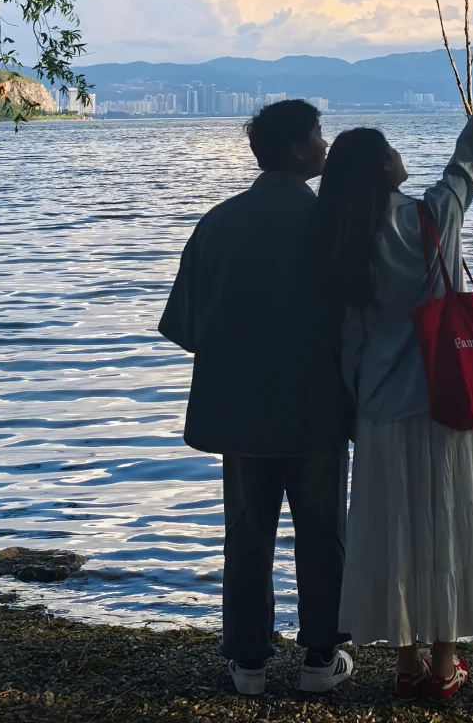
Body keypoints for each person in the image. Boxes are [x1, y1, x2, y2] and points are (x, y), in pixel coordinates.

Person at [317, 58, 473, 706]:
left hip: (378, 405)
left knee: (391, 527)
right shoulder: (432, 217)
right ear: (383, 167)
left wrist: (350, 409)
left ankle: (404, 664)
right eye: (393, 150)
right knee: (447, 523)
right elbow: (468, 151)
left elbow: (347, 341)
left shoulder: (346, 241)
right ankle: (444, 663)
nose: (403, 153)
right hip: (445, 399)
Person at [158, 99, 353, 698]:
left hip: (238, 414)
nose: (325, 145)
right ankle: (321, 656)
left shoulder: (217, 223)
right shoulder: (330, 224)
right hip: (315, 412)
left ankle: (247, 662)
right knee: (323, 533)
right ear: (298, 150)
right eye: (318, 136)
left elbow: (186, 328)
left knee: (246, 534)